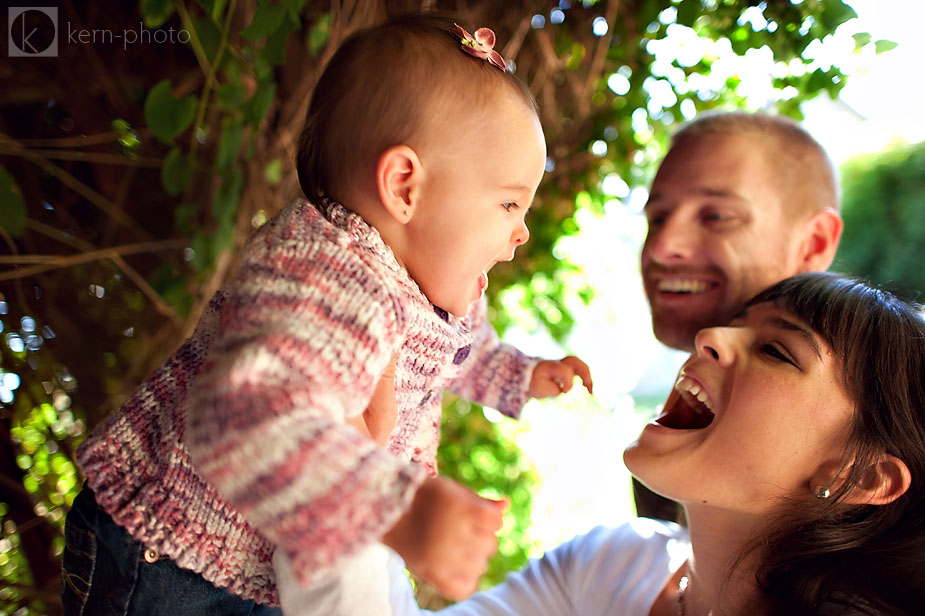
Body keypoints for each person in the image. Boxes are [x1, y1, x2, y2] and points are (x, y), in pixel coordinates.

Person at [62, 14, 592, 616]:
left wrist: (520, 375)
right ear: (404, 186)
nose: (521, 232)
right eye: (507, 203)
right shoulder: (325, 274)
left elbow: (463, 349)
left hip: (259, 567)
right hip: (167, 552)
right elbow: (247, 413)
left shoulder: (435, 286)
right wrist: (401, 509)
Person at [397, 271, 925, 615]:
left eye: (776, 350)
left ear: (856, 475)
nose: (709, 336)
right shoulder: (610, 562)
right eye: (734, 324)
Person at [635, 110, 845, 520]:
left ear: (814, 242)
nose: (661, 247)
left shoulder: (888, 419)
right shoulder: (686, 412)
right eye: (657, 217)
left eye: (716, 217)